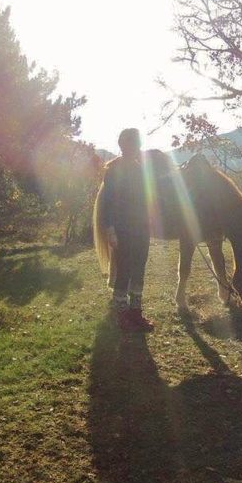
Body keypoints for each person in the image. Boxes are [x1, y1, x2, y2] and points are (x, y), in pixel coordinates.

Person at [100, 128, 155, 332]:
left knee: (139, 269)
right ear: (124, 145)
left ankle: (135, 312)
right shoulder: (113, 170)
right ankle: (121, 314)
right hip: (122, 229)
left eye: (138, 144)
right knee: (123, 270)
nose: (136, 148)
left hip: (141, 228)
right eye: (133, 144)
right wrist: (110, 230)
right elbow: (107, 203)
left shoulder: (140, 169)